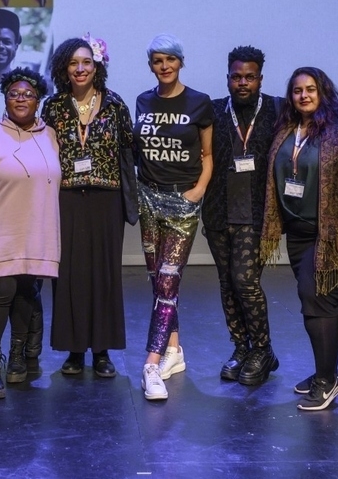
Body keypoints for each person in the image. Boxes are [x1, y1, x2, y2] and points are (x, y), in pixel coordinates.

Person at [41, 34, 134, 378]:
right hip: (65, 199)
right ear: (64, 68)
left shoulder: (115, 105)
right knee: (70, 275)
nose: (80, 69)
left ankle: (102, 351)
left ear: (97, 67)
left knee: (104, 275)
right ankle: (75, 350)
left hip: (106, 200)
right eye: (73, 63)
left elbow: (129, 150)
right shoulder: (52, 106)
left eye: (87, 63)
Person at [260, 66, 338, 411]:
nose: (304, 95)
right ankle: (324, 371)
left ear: (323, 91)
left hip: (327, 233)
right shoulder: (286, 130)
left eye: (310, 89)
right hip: (297, 233)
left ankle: (328, 380)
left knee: (317, 299)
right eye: (297, 90)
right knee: (316, 302)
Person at [0, 68, 61, 399]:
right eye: (14, 94)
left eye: (28, 94)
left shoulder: (50, 134)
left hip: (37, 229)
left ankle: (18, 353)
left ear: (38, 100)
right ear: (4, 98)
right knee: (1, 292)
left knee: (26, 290)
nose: (21, 99)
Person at [134, 34, 214, 401]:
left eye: (170, 60)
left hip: (182, 202)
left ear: (180, 62)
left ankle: (151, 364)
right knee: (159, 283)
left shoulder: (199, 103)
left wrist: (197, 191)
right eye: (156, 61)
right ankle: (175, 350)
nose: (163, 66)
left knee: (168, 283)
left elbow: (208, 155)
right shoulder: (143, 101)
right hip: (148, 197)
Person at [202, 45, 279, 386]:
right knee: (227, 284)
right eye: (236, 77)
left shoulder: (278, 109)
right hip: (219, 212)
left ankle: (263, 350)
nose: (243, 83)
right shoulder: (214, 111)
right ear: (228, 79)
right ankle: (241, 347)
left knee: (246, 283)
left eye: (250, 77)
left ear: (260, 78)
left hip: (257, 214)